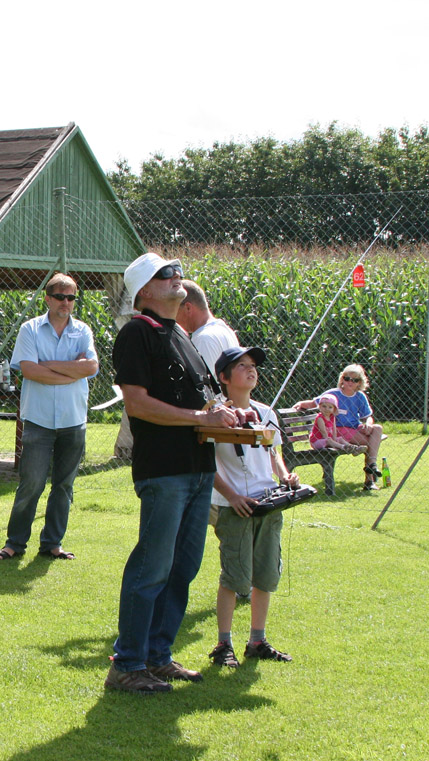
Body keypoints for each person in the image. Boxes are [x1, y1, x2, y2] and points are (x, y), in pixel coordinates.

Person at [106, 252, 238, 694]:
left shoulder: (180, 333)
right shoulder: (137, 332)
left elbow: (204, 399)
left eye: (177, 271)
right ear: (144, 290)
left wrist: (226, 413)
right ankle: (127, 664)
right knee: (152, 566)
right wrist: (202, 419)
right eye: (166, 273)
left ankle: (157, 657)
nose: (177, 276)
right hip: (164, 470)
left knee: (183, 567)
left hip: (198, 468)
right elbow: (138, 404)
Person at [0, 273, 98, 562]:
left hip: (73, 419)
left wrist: (48, 366)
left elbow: (90, 367)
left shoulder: (83, 331)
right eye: (60, 296)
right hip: (38, 420)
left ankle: (52, 543)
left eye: (71, 297)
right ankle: (14, 543)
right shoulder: (30, 329)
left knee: (64, 486)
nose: (66, 302)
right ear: (48, 299)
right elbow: (29, 370)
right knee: (32, 484)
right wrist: (70, 371)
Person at [206, 346, 298, 668]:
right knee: (235, 576)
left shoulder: (266, 412)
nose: (251, 370)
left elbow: (274, 454)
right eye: (242, 365)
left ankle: (257, 640)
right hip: (235, 508)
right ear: (223, 377)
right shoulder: (214, 416)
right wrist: (232, 497)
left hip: (267, 504)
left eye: (253, 365)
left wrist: (285, 476)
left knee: (266, 574)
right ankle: (224, 644)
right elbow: (206, 466)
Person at [295, 364, 385, 489]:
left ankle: (372, 465)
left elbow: (368, 416)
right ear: (342, 379)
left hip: (355, 428)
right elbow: (313, 403)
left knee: (377, 428)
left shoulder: (360, 396)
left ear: (360, 383)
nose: (350, 382)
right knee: (372, 443)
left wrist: (368, 424)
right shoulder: (333, 394)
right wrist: (300, 404)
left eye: (355, 380)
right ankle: (370, 477)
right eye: (347, 378)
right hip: (337, 430)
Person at [176, 280, 239, 382]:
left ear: (188, 308)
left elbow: (199, 385)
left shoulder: (204, 339)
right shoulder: (224, 329)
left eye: (174, 309)